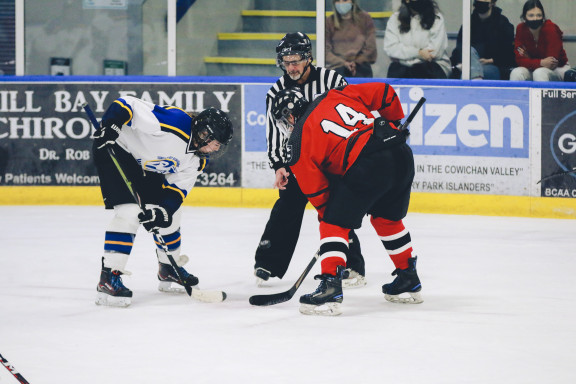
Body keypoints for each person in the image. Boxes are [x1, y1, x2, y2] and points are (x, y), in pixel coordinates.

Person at [271, 83, 423, 316]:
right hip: (400, 151)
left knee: (332, 223)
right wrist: (393, 125)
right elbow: (385, 92)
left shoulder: (297, 142)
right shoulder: (334, 94)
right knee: (387, 220)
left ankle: (331, 285)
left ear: (290, 116)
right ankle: (408, 277)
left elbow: (319, 197)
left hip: (366, 163)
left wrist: (338, 219)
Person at [92, 96, 233, 307]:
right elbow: (125, 104)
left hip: (145, 164)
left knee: (172, 215)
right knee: (130, 213)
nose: (215, 148)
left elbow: (176, 192)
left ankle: (168, 268)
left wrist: (161, 213)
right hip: (115, 147)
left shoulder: (195, 161)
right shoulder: (174, 123)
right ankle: (108, 277)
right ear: (204, 134)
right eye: (215, 143)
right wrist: (111, 125)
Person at [254, 31, 367, 289]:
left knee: (336, 211)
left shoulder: (332, 80)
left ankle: (351, 265)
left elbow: (352, 116)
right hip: (298, 161)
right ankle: (269, 262)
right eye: (286, 61)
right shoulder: (276, 91)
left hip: (332, 158)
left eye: (296, 61)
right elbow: (274, 132)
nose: (291, 67)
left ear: (308, 59)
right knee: (287, 207)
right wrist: (279, 164)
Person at [383, 0, 451, 79]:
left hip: (432, 66)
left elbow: (434, 53)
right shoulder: (395, 19)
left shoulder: (437, 18)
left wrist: (407, 57)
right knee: (396, 70)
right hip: (403, 66)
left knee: (418, 70)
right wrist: (418, 53)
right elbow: (391, 48)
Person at [450, 0, 515, 80]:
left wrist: (491, 60)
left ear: (491, 3)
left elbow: (509, 52)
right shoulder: (468, 23)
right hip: (468, 64)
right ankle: (475, 80)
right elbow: (459, 48)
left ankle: (473, 81)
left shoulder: (503, 23)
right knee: (468, 54)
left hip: (493, 66)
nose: (480, 1)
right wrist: (462, 62)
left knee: (470, 72)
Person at [510, 0, 571, 82]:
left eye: (539, 15)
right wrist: (541, 62)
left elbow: (552, 63)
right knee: (516, 72)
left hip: (558, 69)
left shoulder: (550, 28)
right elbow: (519, 60)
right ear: (524, 17)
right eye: (531, 15)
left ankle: (541, 95)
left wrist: (529, 59)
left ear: (543, 16)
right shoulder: (521, 29)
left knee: (539, 73)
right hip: (532, 68)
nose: (535, 18)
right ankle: (517, 95)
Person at [325, 0, 377, 78]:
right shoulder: (329, 22)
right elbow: (325, 51)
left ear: (352, 2)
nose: (341, 3)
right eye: (338, 1)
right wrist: (343, 63)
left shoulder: (365, 18)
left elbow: (371, 47)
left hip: (361, 67)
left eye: (345, 0)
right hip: (336, 67)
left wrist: (356, 62)